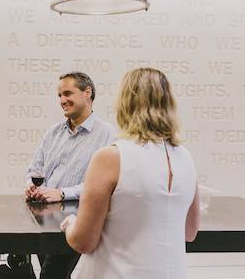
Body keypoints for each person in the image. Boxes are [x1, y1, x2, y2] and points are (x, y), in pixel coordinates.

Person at [61, 67, 200, 279]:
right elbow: (189, 233)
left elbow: (83, 241)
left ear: (125, 103)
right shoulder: (186, 157)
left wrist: (70, 223)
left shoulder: (110, 157)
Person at [24, 72, 117, 279]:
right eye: (59, 95)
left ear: (87, 93)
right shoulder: (52, 133)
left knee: (51, 275)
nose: (62, 100)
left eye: (67, 93)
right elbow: (34, 170)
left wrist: (62, 193)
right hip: (44, 219)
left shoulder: (107, 135)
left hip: (78, 219)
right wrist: (32, 185)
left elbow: (104, 185)